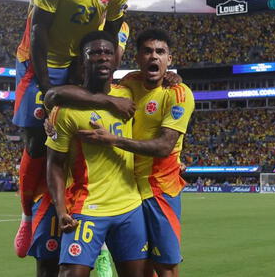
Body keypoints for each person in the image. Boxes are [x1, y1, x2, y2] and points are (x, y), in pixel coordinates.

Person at [11, 0, 129, 260]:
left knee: (81, 136)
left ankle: (92, 210)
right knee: (35, 141)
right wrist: (47, 86)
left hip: (79, 61)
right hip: (39, 60)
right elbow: (39, 30)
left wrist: (90, 67)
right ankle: (27, 215)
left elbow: (111, 31)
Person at [77, 29, 194, 277]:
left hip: (160, 190)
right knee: (140, 266)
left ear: (169, 60)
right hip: (128, 192)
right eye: (148, 51)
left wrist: (114, 140)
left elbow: (164, 147)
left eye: (161, 52)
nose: (154, 57)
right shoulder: (129, 82)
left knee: (166, 266)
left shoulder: (178, 94)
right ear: (138, 57)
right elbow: (95, 92)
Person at [45, 31, 147, 277]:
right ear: (83, 61)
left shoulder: (128, 93)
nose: (102, 58)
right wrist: (61, 210)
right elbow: (55, 165)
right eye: (95, 53)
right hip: (87, 208)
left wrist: (172, 77)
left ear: (116, 60)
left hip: (129, 207)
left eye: (108, 52)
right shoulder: (65, 109)